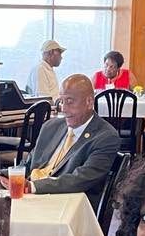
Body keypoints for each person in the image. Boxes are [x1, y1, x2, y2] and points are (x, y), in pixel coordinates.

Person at [23, 74, 120, 209]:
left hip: (66, 205)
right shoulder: (51, 127)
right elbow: (28, 165)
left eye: (69, 101)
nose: (63, 108)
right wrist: (5, 176)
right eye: (61, 101)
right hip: (31, 198)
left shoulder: (105, 137)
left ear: (89, 102)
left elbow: (80, 179)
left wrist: (33, 187)